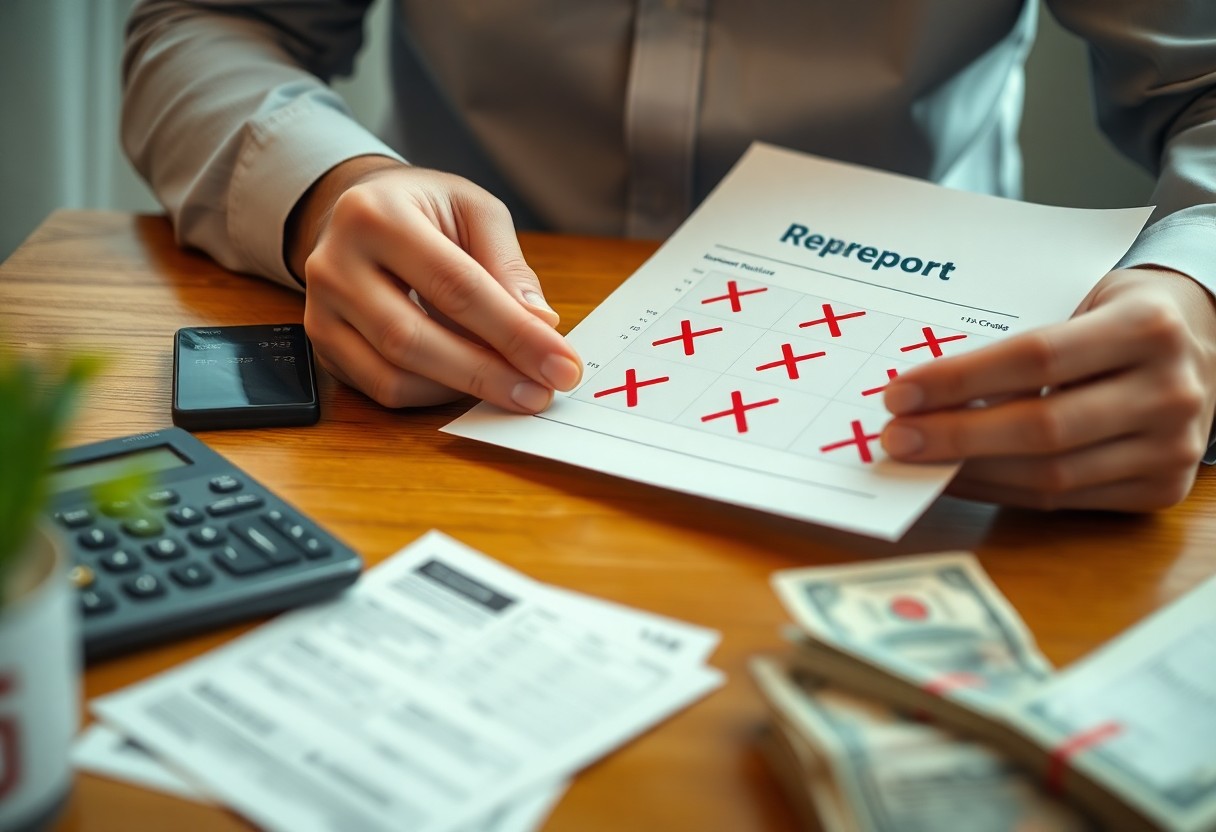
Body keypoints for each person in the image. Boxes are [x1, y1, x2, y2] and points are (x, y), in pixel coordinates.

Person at [122, 1, 1216, 513]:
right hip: (439, 398)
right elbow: (207, 22)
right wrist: (329, 190)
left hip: (956, 438)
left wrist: (1197, 288)